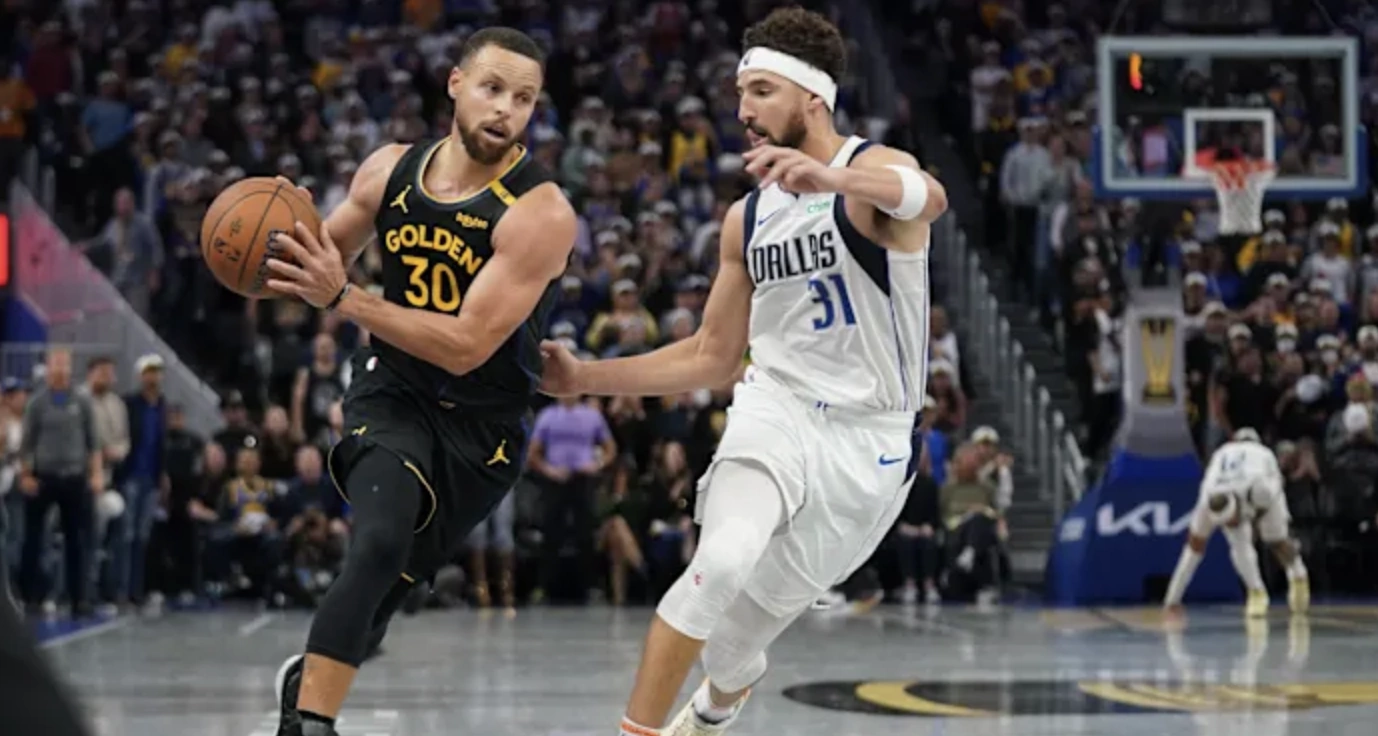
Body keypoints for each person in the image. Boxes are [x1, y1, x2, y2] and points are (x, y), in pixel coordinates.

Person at [539, 9, 947, 735]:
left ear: (811, 98)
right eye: (739, 93)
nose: (743, 112)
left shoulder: (870, 177)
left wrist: (831, 176)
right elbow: (711, 356)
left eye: (760, 91)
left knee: (731, 650)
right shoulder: (746, 219)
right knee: (720, 564)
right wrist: (583, 378)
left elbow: (930, 199)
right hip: (775, 409)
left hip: (871, 444)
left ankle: (714, 710)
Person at [256, 28, 576, 736]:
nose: (506, 109)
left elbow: (465, 346)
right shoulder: (388, 170)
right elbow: (313, 265)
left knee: (386, 592)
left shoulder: (541, 212)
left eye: (524, 99)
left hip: (483, 427)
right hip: (393, 390)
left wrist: (345, 298)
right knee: (377, 545)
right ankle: (310, 724)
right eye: (492, 88)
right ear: (455, 84)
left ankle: (309, 679)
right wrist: (275, 241)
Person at [1163, 428, 1310, 618]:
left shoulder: (1261, 487)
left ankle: (1298, 574)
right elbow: (1194, 547)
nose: (1230, 523)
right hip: (1236, 494)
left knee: (1276, 539)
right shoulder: (1206, 501)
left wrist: (1256, 517)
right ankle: (1256, 592)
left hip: (1265, 497)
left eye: (1231, 518)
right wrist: (1172, 599)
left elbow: (1276, 488)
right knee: (1239, 545)